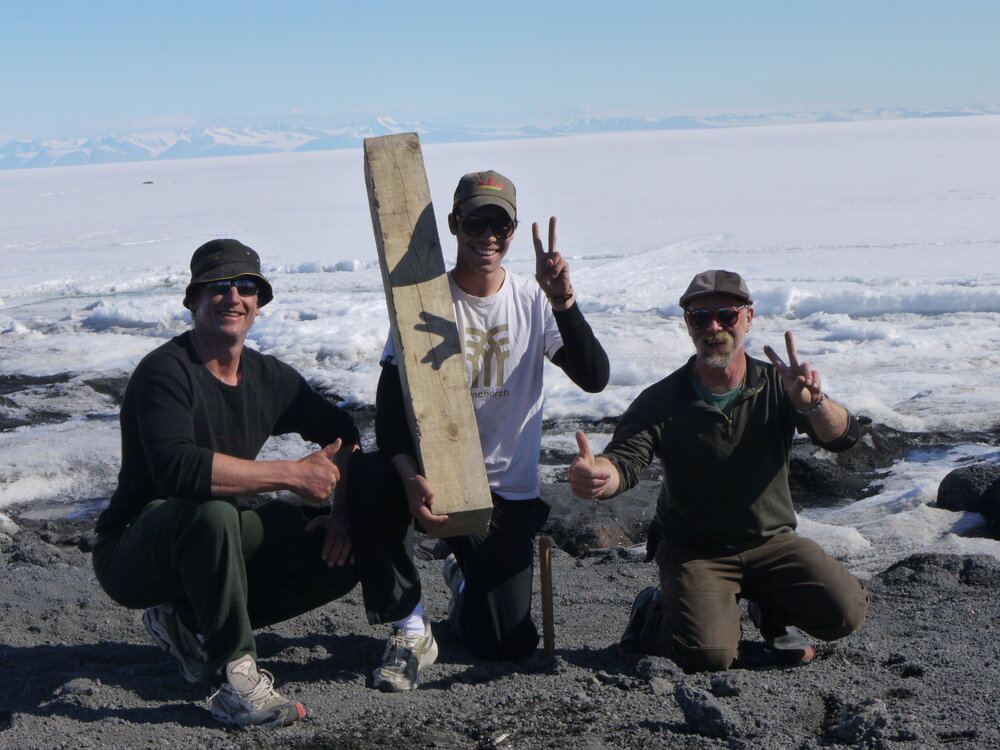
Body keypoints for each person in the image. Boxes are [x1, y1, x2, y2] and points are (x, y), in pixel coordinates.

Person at [92, 239, 423, 727]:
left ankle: (188, 624)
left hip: (217, 539)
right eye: (217, 287)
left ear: (259, 304)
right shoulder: (164, 372)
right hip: (134, 551)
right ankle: (236, 680)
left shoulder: (269, 377)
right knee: (212, 512)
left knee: (342, 550)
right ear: (193, 301)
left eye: (246, 287)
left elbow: (344, 434)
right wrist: (290, 475)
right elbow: (177, 470)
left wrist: (341, 515)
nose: (233, 297)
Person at [373, 171, 609, 682]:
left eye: (499, 225)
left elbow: (593, 376)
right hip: (437, 481)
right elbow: (388, 411)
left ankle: (461, 577)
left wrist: (563, 300)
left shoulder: (531, 300)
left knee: (506, 643)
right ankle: (409, 623)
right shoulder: (423, 301)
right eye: (476, 222)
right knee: (371, 479)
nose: (488, 237)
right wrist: (408, 475)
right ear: (455, 224)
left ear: (513, 230)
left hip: (506, 492)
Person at [569, 269, 868, 672]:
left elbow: (842, 437)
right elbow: (624, 461)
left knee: (845, 612)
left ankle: (768, 607)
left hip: (771, 541)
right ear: (688, 325)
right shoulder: (660, 400)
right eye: (700, 318)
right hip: (696, 548)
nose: (714, 327)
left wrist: (813, 405)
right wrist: (598, 476)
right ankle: (652, 612)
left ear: (748, 318)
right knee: (708, 656)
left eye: (726, 315)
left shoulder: (780, 385)